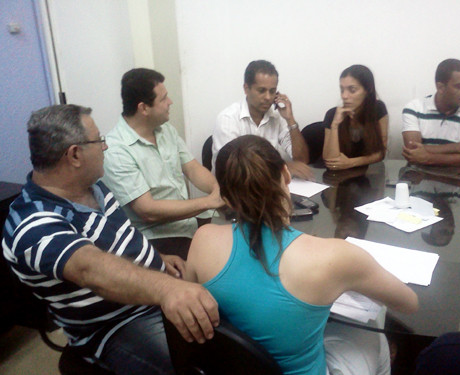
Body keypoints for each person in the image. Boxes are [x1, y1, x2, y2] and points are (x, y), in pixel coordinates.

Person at [2, 105, 219, 375]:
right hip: (118, 326)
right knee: (207, 363)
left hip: (149, 300)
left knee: (238, 328)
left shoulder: (92, 186)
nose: (105, 147)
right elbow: (91, 269)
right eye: (98, 140)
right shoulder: (32, 223)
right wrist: (166, 288)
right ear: (75, 154)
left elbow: (119, 240)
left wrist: (156, 258)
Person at [185, 135, 418, 375]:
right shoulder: (336, 257)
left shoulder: (203, 240)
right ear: (286, 175)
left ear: (226, 197)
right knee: (376, 324)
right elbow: (409, 303)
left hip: (232, 367)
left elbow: (192, 304)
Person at [103, 68, 224, 260]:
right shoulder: (116, 150)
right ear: (143, 108)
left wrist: (219, 190)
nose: (170, 102)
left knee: (235, 244)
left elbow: (192, 169)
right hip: (156, 238)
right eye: (164, 99)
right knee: (215, 268)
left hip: (188, 225)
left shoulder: (165, 129)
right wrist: (209, 202)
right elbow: (147, 211)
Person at [211, 60, 313, 179]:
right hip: (234, 190)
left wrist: (290, 120)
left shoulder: (278, 117)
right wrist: (281, 168)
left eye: (272, 91)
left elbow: (301, 160)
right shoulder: (228, 119)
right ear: (246, 88)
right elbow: (233, 170)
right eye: (261, 91)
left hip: (268, 187)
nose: (268, 97)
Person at [402, 59, 460, 168]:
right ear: (441, 87)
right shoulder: (414, 108)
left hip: (458, 182)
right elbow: (412, 151)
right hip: (418, 180)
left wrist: (428, 157)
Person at [323, 65, 388, 171]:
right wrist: (335, 125)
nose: (344, 96)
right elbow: (332, 162)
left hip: (367, 174)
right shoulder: (332, 114)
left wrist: (351, 163)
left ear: (368, 89)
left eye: (352, 90)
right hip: (337, 178)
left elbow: (380, 153)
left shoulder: (378, 109)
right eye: (342, 90)